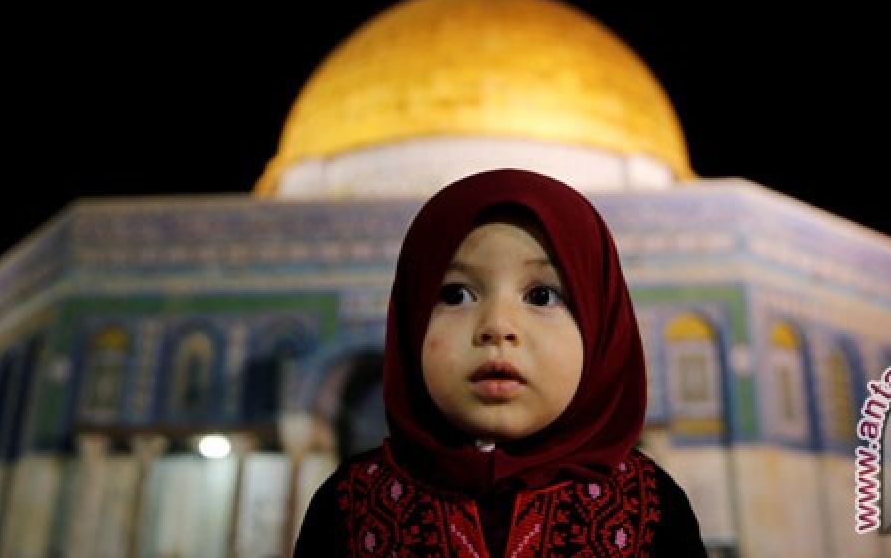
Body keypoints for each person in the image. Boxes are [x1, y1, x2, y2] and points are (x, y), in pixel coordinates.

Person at [294, 168, 707, 556]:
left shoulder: (650, 509)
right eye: (455, 294)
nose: (497, 327)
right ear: (410, 319)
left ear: (601, 330)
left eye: (542, 296)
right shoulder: (352, 505)